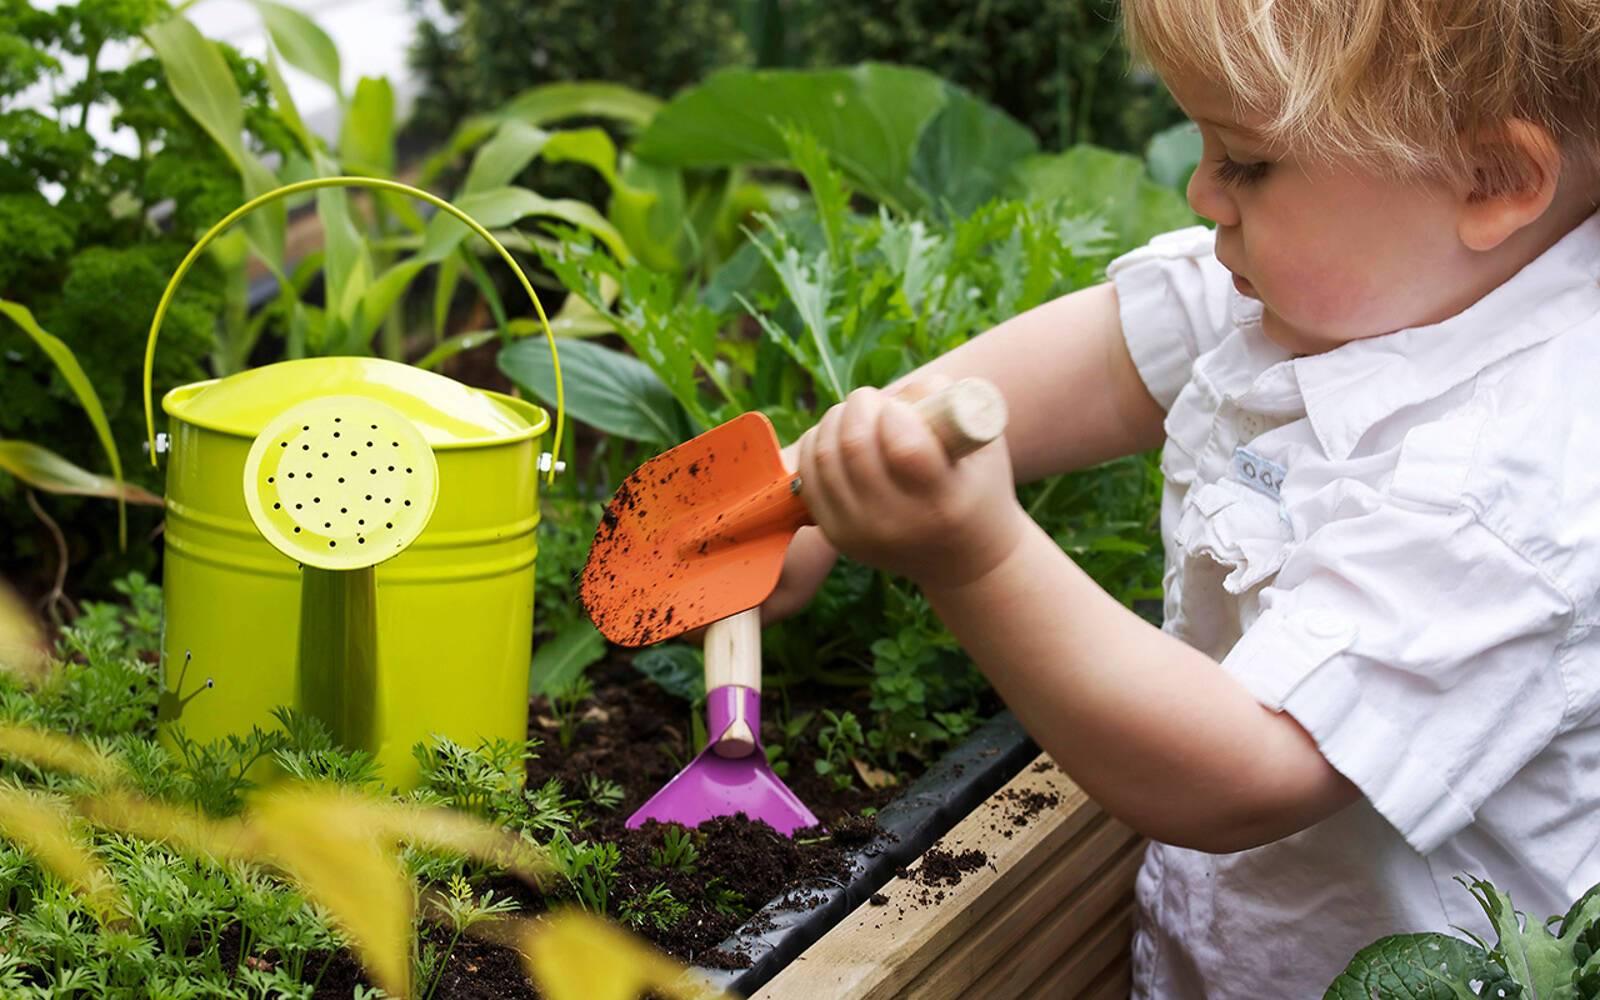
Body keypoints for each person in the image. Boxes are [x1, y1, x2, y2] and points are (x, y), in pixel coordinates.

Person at [757, 1, 1600, 995]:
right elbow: (1110, 357)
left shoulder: (1515, 479)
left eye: (1245, 161)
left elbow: (1243, 772)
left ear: (1493, 179)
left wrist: (972, 554)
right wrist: (806, 487)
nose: (1202, 191)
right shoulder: (1357, 279)